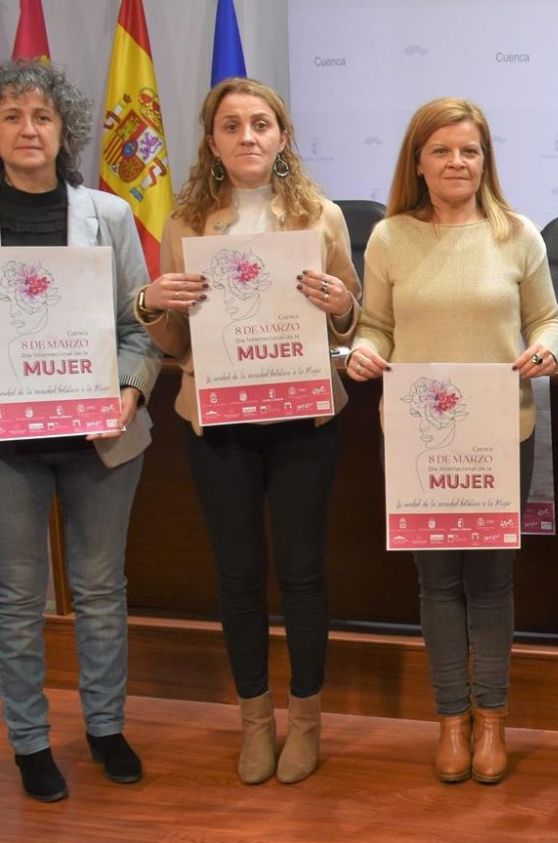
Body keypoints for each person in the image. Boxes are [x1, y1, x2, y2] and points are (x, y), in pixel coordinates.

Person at [136, 78, 359, 786]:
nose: (248, 137)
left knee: (302, 571)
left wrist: (344, 303)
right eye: (231, 127)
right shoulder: (186, 223)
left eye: (261, 124)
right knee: (236, 576)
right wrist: (152, 301)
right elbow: (175, 343)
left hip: (303, 419)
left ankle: (307, 720)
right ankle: (255, 721)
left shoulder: (321, 217)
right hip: (219, 421)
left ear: (283, 136)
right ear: (213, 144)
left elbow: (351, 323)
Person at [348, 97, 558, 785]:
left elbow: (549, 319)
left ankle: (492, 719)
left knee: (492, 580)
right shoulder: (388, 238)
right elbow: (376, 326)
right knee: (437, 582)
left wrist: (545, 349)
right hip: (418, 437)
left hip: (503, 430)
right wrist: (361, 349)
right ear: (418, 161)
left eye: (469, 150)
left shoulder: (517, 233)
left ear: (485, 159)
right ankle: (450, 720)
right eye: (441, 150)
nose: (457, 162)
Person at [0, 60, 161, 802]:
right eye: (10, 116)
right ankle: (31, 741)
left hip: (102, 436)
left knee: (100, 588)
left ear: (63, 130)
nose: (26, 129)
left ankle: (104, 726)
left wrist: (131, 391)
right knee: (17, 597)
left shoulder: (110, 213)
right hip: (8, 448)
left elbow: (142, 326)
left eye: (40, 117)